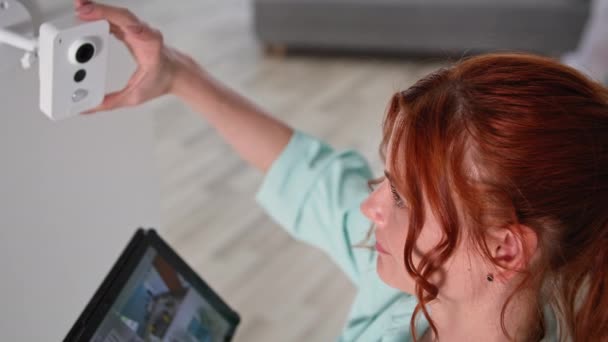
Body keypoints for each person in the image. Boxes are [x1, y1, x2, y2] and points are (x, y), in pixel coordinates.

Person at [73, 1, 608, 341]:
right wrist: (176, 75)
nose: (369, 206)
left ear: (505, 249)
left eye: (401, 197)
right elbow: (309, 177)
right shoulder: (418, 289)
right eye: (386, 181)